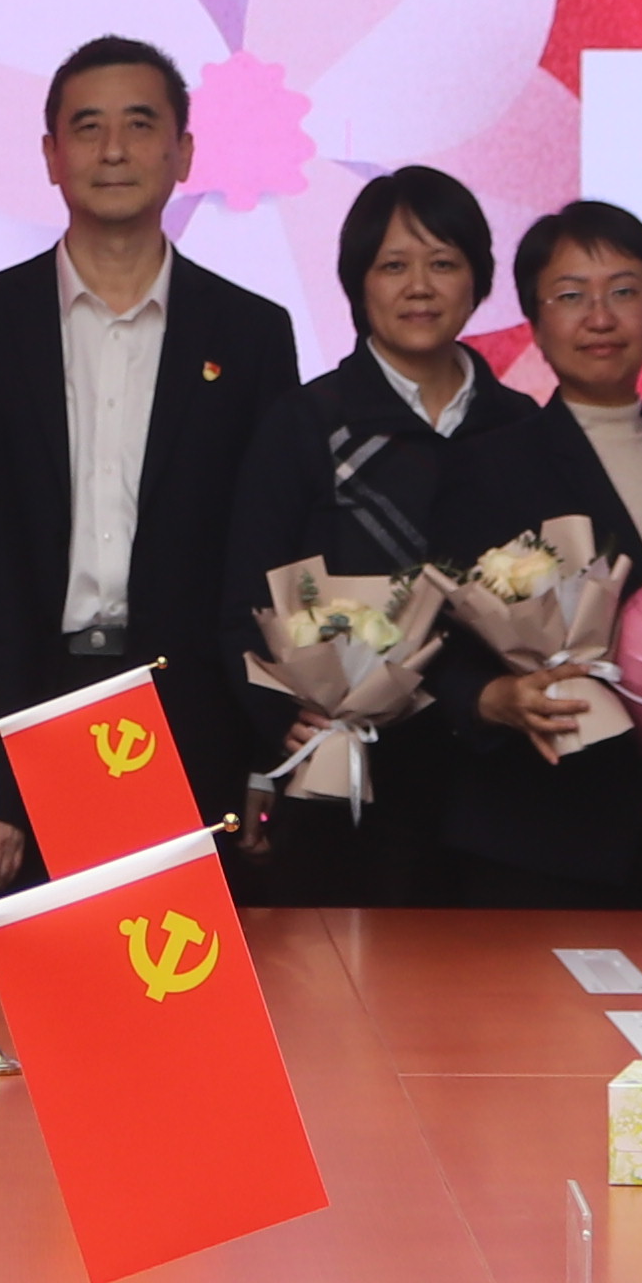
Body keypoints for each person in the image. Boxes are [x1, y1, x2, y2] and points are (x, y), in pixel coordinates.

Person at [0, 38, 298, 872]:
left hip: (193, 712)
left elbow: (272, 555)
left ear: (183, 152)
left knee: (179, 953)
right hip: (18, 705)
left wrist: (266, 749)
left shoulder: (251, 335)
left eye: (140, 124)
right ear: (51, 155)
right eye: (88, 128)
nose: (115, 150)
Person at [422, 202, 642, 910]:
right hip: (546, 836)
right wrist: (492, 699)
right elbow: (433, 643)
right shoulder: (487, 467)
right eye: (572, 296)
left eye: (624, 292)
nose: (600, 318)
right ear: (536, 322)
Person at [212, 167, 529, 905]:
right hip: (346, 788)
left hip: (496, 782)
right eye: (393, 266)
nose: (419, 287)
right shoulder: (306, 423)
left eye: (443, 263)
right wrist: (280, 729)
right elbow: (243, 607)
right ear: (358, 284)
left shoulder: (519, 427)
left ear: (478, 281)